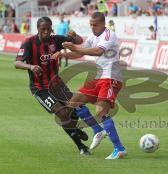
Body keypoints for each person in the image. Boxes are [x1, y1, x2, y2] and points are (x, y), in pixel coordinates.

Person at [14, 16, 97, 155]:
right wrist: (31, 66)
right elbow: (17, 63)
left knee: (75, 108)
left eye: (48, 28)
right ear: (38, 29)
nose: (46, 32)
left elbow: (79, 41)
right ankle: (81, 146)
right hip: (40, 89)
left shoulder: (56, 39)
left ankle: (74, 129)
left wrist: (74, 35)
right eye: (43, 29)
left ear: (51, 28)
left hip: (57, 85)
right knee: (62, 113)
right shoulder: (29, 43)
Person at [53, 12, 127, 160]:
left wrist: (75, 48)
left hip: (111, 76)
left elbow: (97, 51)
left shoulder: (109, 35)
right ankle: (97, 130)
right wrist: (64, 54)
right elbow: (80, 53)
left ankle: (119, 149)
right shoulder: (93, 37)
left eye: (95, 25)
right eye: (91, 25)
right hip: (99, 76)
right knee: (74, 101)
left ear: (103, 24)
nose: (93, 28)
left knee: (101, 111)